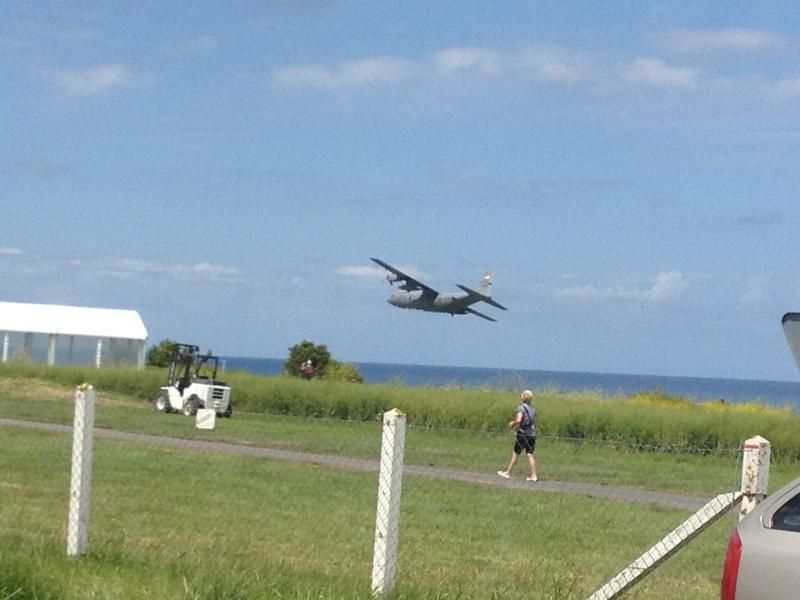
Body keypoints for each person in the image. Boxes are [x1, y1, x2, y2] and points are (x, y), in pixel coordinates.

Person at [497, 389, 538, 482]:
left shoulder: (521, 408)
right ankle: (534, 475)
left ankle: (508, 472)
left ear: (523, 397)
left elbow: (519, 420)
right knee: (530, 454)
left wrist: (512, 423)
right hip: (531, 434)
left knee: (516, 453)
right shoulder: (533, 409)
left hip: (522, 434)